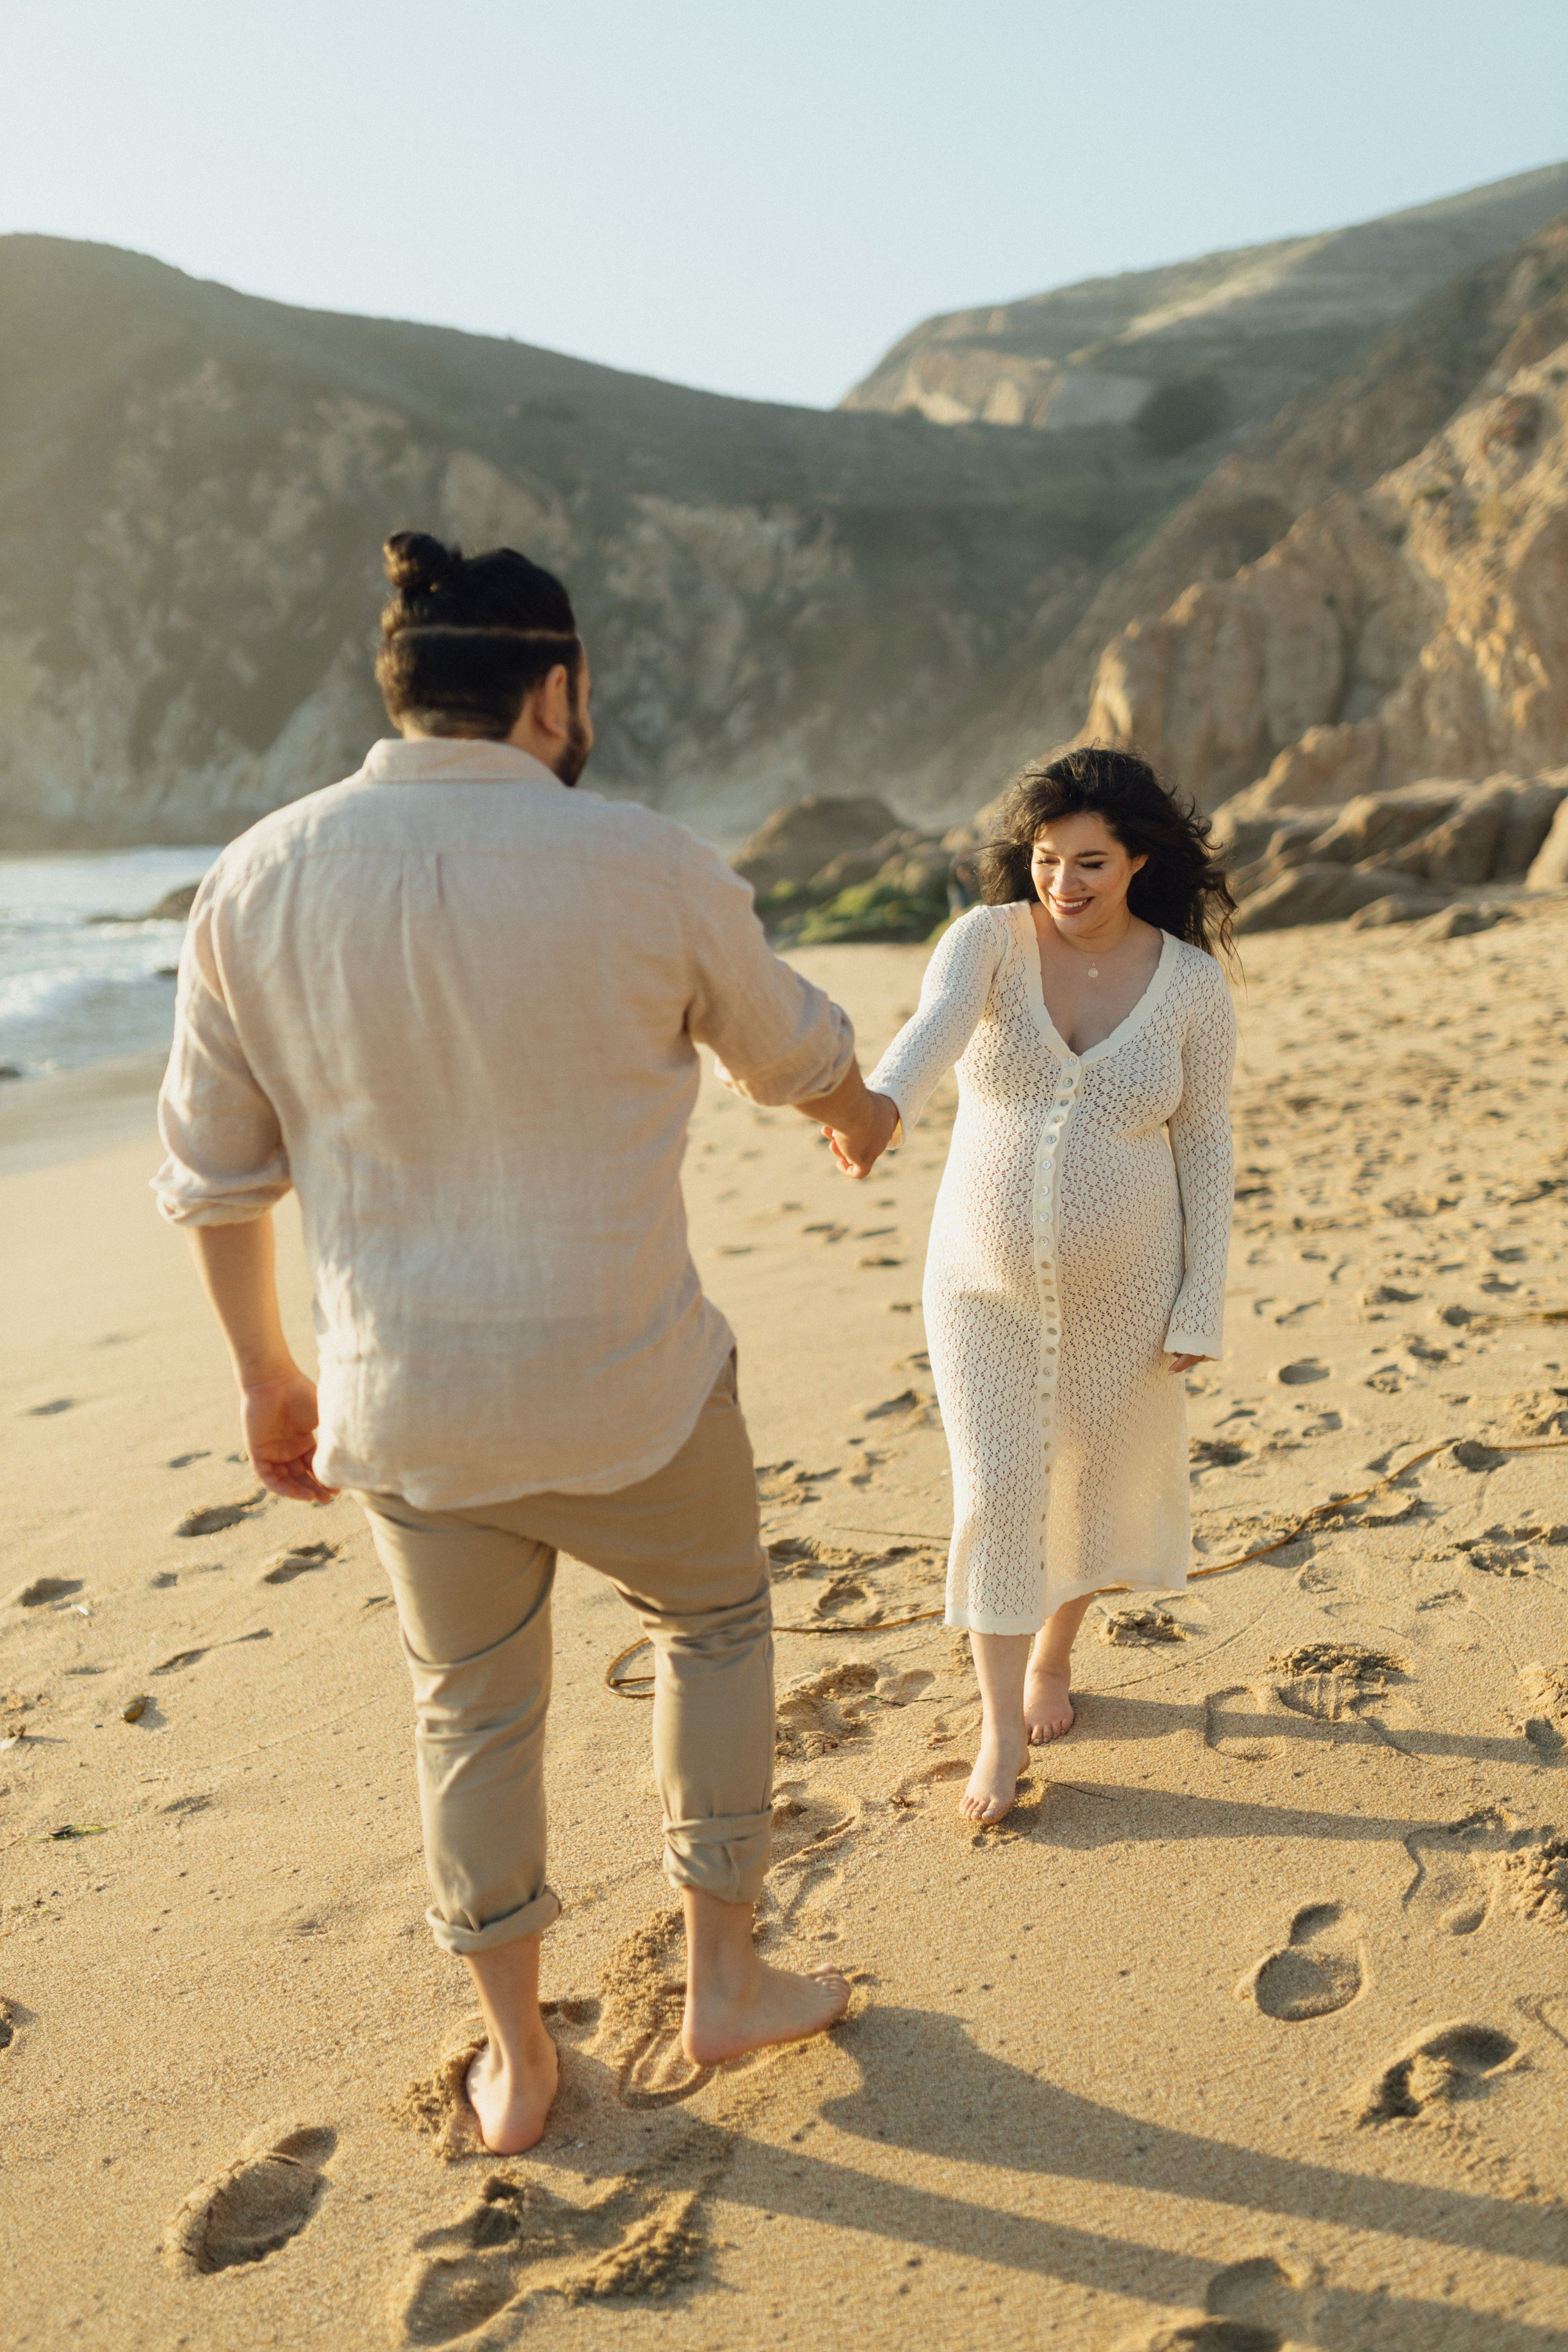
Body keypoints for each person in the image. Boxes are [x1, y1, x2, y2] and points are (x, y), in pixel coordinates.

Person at [154, 530, 894, 2153]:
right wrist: (860, 1111)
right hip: (632, 1378)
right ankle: (724, 1981)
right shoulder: (644, 860)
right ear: (553, 690)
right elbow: (790, 1048)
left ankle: (516, 2059)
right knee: (714, 1623)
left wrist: (268, 1376)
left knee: (471, 1714)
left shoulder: (258, 876)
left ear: (402, 691)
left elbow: (216, 1175)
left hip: (409, 1402)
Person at [821, 747, 1237, 1823]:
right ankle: (1000, 1727)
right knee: (999, 1492)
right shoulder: (988, 943)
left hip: (1129, 1289)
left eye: (1091, 862)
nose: (1065, 883)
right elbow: (930, 1036)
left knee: (1094, 1485)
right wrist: (880, 1107)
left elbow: (1207, 1149)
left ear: (1139, 859)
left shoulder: (1191, 986)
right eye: (1049, 860)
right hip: (979, 1286)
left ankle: (1055, 1651)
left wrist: (1203, 1299)